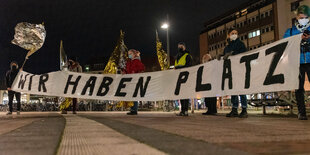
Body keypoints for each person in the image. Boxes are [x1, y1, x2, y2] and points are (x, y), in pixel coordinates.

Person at [284, 5, 310, 120]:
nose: (303, 19)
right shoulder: (290, 31)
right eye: (301, 17)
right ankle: (301, 112)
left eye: (305, 17)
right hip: (297, 63)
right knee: (299, 88)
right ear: (297, 17)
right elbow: (284, 45)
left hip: (309, 61)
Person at [221, 28, 248, 118]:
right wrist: (220, 57)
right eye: (232, 33)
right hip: (231, 71)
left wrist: (233, 54)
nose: (234, 34)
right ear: (228, 35)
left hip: (239, 70)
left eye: (236, 33)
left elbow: (244, 54)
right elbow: (224, 57)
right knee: (233, 90)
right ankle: (234, 109)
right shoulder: (227, 47)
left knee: (241, 90)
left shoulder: (240, 44)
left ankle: (244, 109)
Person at [123, 49, 145, 115]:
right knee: (131, 95)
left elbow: (142, 68)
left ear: (134, 54)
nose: (129, 55)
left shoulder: (137, 61)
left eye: (130, 54)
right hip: (130, 80)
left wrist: (135, 71)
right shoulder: (129, 62)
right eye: (128, 54)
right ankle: (132, 109)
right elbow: (127, 69)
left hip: (135, 80)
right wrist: (124, 71)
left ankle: (134, 109)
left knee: (134, 95)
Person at [174, 42, 192, 116]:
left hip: (185, 78)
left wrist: (179, 68)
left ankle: (185, 111)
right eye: (178, 47)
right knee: (181, 95)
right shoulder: (177, 57)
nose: (179, 48)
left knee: (185, 95)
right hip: (178, 78)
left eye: (181, 47)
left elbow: (189, 66)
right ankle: (182, 111)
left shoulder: (187, 56)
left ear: (184, 47)